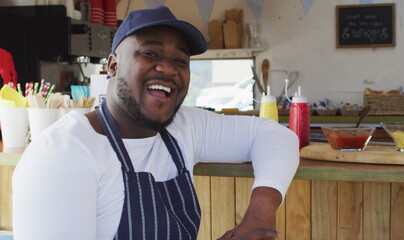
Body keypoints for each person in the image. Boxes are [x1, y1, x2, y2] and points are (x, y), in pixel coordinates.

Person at [12, 6, 299, 240]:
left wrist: (260, 213)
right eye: (150, 53)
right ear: (112, 65)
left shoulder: (182, 128)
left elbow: (276, 136)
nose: (168, 68)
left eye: (181, 60)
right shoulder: (63, 152)